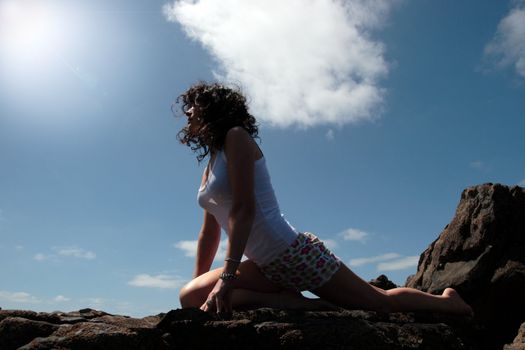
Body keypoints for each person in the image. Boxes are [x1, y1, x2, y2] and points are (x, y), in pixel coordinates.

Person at [175, 82, 473, 317]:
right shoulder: (212, 162)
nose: (187, 112)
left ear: (212, 108)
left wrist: (225, 278)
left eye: (194, 105)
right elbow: (209, 231)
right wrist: (199, 285)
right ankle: (285, 302)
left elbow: (244, 209)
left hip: (293, 254)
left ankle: (449, 302)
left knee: (379, 303)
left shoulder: (236, 136)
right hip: (263, 266)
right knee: (189, 296)